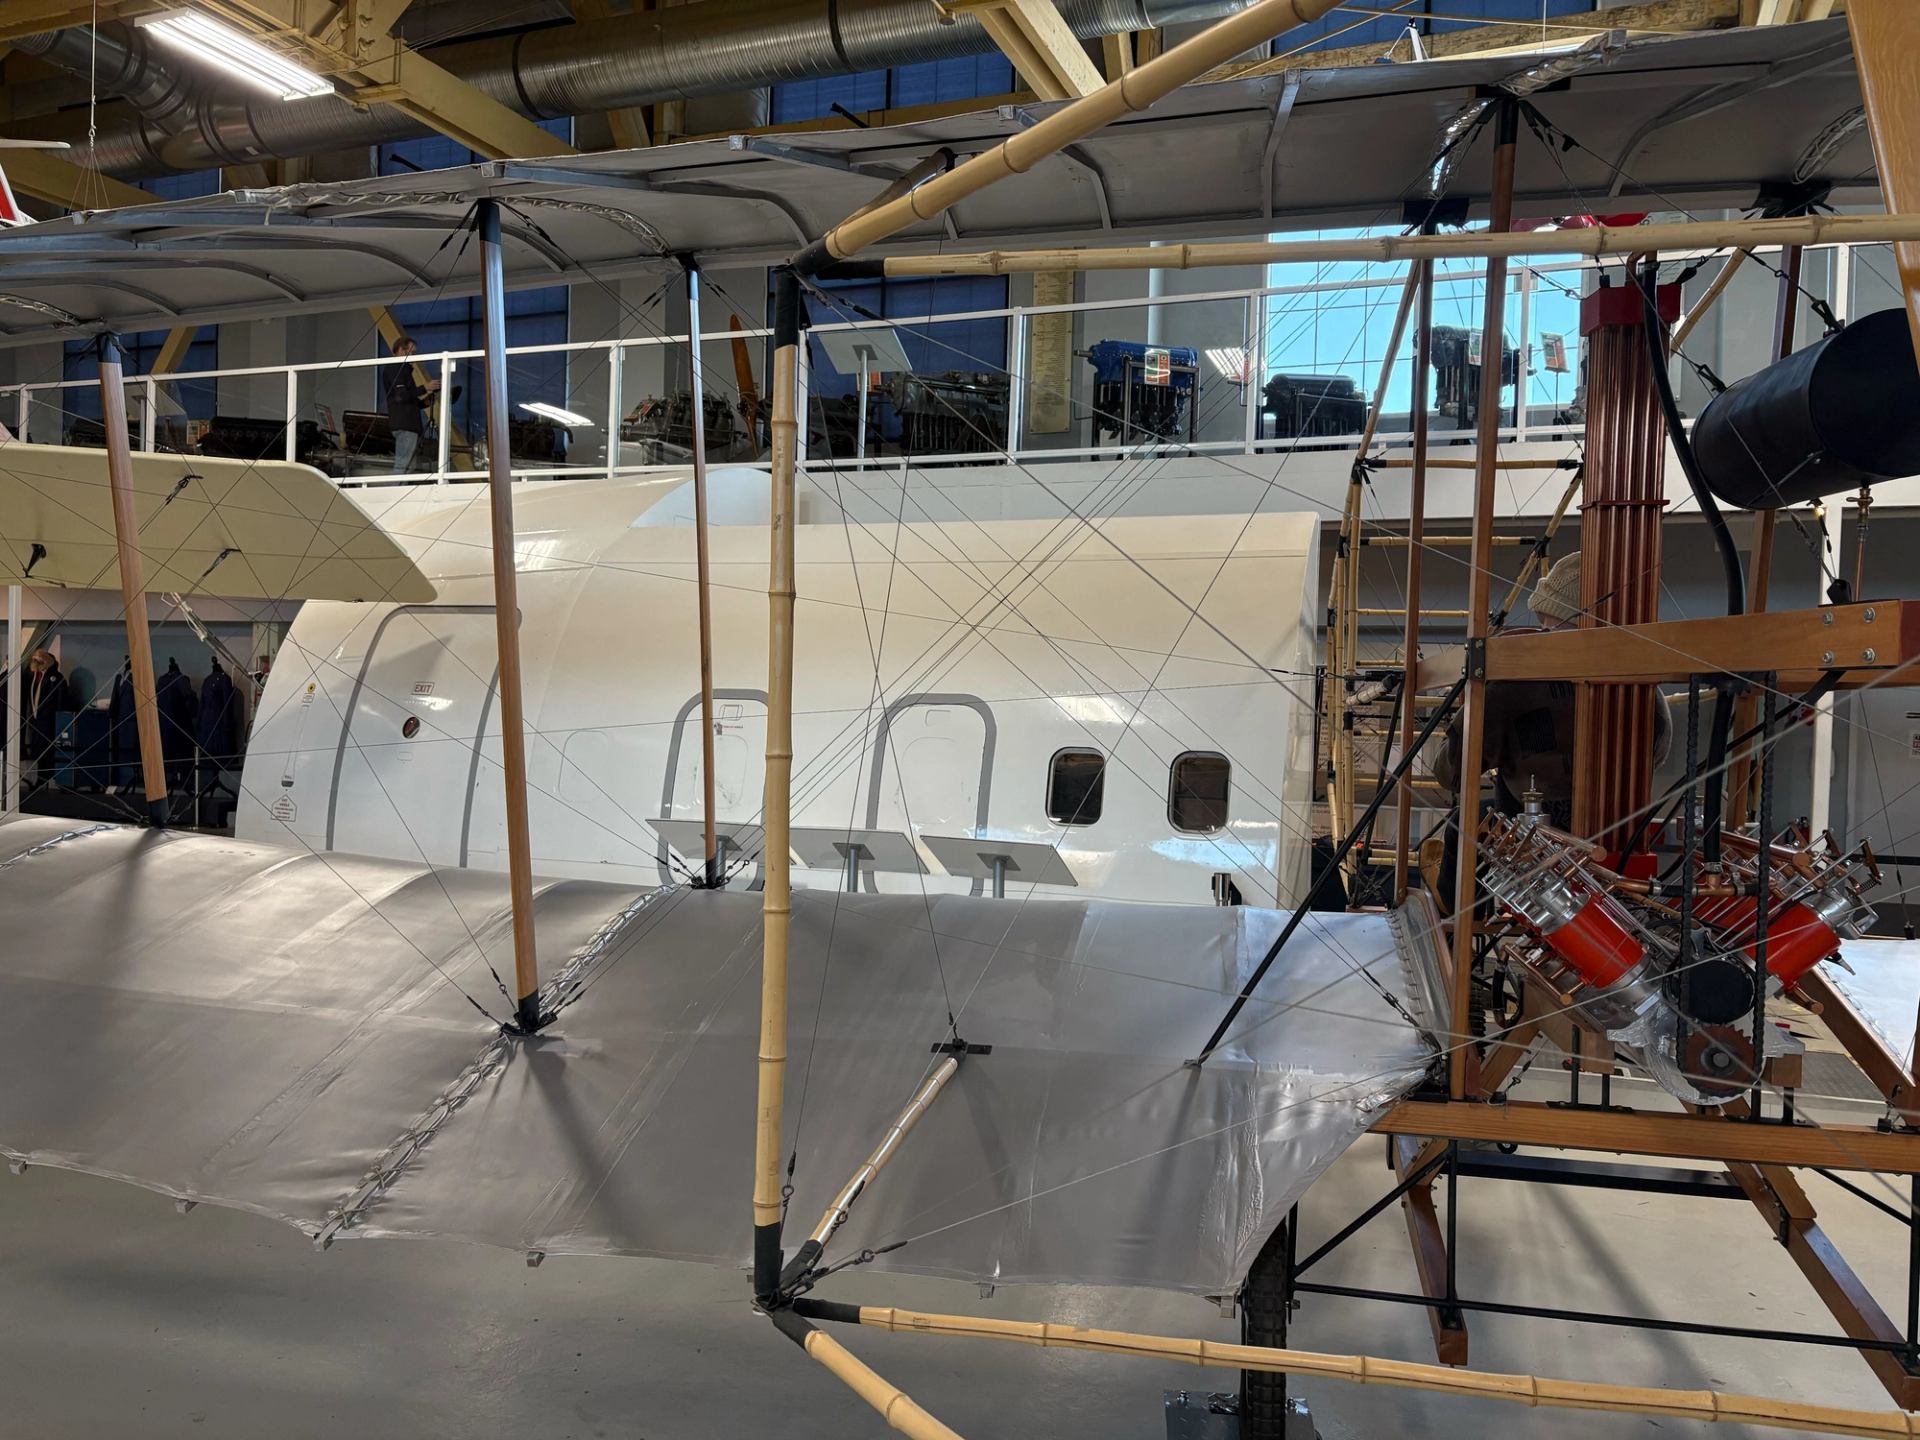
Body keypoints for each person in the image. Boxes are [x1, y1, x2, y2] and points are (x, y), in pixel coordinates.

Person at [383, 337, 440, 473]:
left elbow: (408, 399)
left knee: (408, 467)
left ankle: (399, 491)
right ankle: (396, 492)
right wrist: (425, 388)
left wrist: (428, 400)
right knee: (404, 465)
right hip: (405, 424)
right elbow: (401, 395)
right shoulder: (395, 368)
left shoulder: (400, 370)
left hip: (407, 425)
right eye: (412, 352)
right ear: (402, 350)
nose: (413, 356)